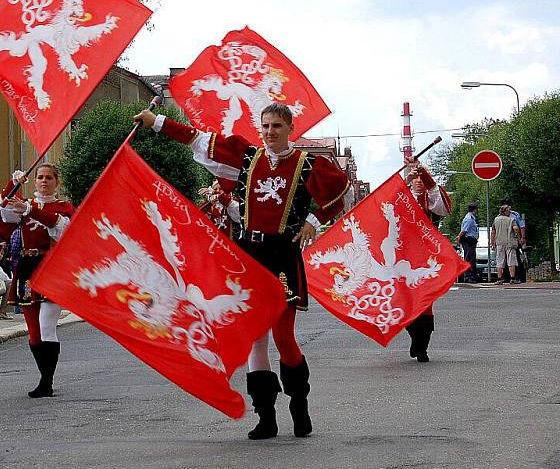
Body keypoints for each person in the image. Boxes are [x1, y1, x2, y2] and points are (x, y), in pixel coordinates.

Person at [134, 102, 352, 440]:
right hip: (249, 255)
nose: (269, 132)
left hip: (282, 254)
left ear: (289, 128)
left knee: (283, 336)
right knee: (255, 339)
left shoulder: (309, 165)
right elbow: (198, 140)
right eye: (265, 125)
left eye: (277, 126)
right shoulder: (246, 157)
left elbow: (340, 196)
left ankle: (299, 404)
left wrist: (313, 221)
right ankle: (265, 415)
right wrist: (157, 122)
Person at [0, 164, 74, 398]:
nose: (44, 181)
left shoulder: (63, 207)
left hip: (50, 267)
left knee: (46, 325)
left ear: (57, 182)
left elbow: (58, 227)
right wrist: (14, 184)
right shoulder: (25, 205)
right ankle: (44, 376)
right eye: (40, 177)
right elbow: (4, 210)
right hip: (26, 267)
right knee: (33, 331)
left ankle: (47, 381)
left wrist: (29, 209)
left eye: (49, 177)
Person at [403, 158, 451, 362]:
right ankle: (415, 337)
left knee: (426, 301)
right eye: (416, 178)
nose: (419, 181)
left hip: (425, 256)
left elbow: (442, 207)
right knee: (406, 300)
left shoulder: (430, 197)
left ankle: (422, 346)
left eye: (422, 177)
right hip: (402, 255)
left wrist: (425, 175)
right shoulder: (402, 195)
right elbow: (386, 203)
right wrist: (407, 179)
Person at [491, 204, 520, 285]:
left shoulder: (496, 220)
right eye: (508, 210)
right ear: (505, 211)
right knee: (511, 260)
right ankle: (512, 278)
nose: (510, 212)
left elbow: (493, 232)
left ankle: (499, 278)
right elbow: (516, 228)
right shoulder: (511, 220)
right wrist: (516, 235)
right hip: (509, 242)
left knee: (499, 260)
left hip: (499, 242)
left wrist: (493, 243)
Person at [502, 197, 527, 282]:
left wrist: (522, 238)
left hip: (514, 240)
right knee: (504, 259)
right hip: (504, 241)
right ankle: (507, 277)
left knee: (516, 258)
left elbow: (522, 226)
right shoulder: (500, 216)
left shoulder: (515, 215)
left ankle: (519, 276)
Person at [455, 202, 480, 283]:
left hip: (471, 240)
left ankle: (473, 275)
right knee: (469, 259)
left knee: (471, 258)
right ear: (474, 210)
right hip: (468, 241)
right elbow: (464, 231)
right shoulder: (469, 219)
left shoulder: (471, 218)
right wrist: (459, 237)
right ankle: (468, 276)